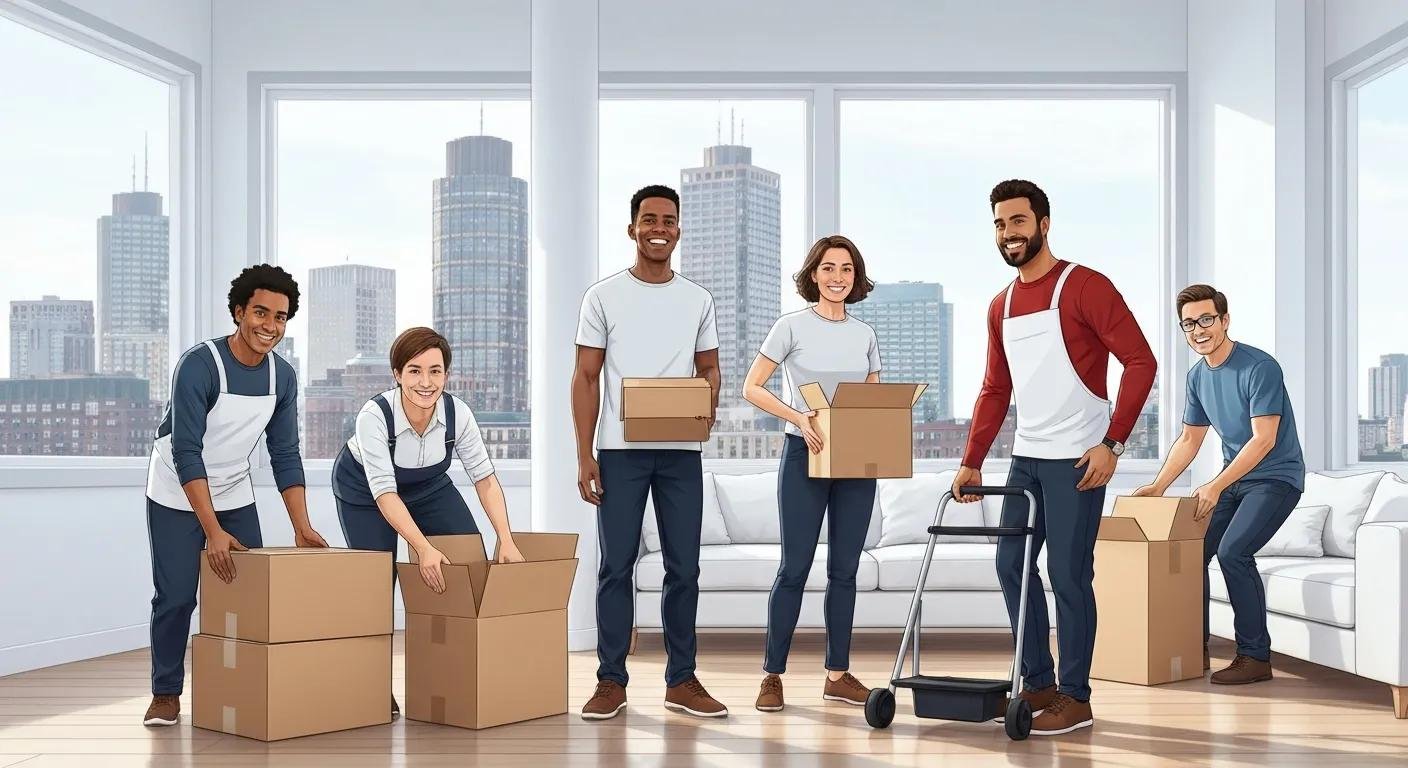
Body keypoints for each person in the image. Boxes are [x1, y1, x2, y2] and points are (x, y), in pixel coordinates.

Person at [952, 179, 1156, 736]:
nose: (1008, 233)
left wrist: (1113, 443)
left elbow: (1141, 362)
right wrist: (972, 460)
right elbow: (995, 388)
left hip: (1078, 462)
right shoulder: (1001, 305)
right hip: (1026, 458)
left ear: (1043, 223)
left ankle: (1076, 697)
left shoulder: (1086, 286)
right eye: (998, 223)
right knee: (1010, 567)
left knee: (1067, 575)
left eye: (1017, 221)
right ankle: (1038, 682)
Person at [142, 265, 329, 727]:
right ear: (238, 312)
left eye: (281, 317)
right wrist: (213, 532)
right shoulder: (199, 364)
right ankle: (166, 692)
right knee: (177, 596)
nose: (271, 326)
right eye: (261, 313)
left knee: (249, 594)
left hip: (232, 488)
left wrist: (302, 527)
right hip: (175, 489)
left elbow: (286, 454)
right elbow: (187, 450)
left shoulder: (282, 379)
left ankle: (245, 687)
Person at [573, 184, 727, 720]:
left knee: (684, 568)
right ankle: (610, 681)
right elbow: (586, 377)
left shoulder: (698, 299)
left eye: (668, 221)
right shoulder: (603, 296)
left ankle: (681, 680)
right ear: (632, 228)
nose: (659, 229)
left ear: (679, 229)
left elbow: (709, 368)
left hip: (681, 452)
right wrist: (585, 453)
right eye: (649, 220)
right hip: (620, 451)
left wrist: (709, 399)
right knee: (616, 566)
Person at [332, 326, 526, 718]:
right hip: (365, 492)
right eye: (415, 371)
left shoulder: (458, 413)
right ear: (397, 374)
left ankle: (453, 676)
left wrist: (505, 538)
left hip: (429, 485)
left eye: (435, 371)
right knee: (375, 582)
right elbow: (385, 493)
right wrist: (422, 548)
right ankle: (372, 684)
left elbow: (485, 479)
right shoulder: (375, 416)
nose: (426, 382)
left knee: (465, 563)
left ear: (446, 375)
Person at [1133, 284, 1304, 684]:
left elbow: (1263, 439)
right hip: (1235, 481)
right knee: (1194, 554)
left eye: (1206, 319)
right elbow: (1190, 439)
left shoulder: (1259, 367)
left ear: (1224, 320)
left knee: (1233, 552)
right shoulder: (1197, 377)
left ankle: (1255, 657)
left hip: (1275, 478)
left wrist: (1214, 485)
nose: (1198, 330)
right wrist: (1159, 486)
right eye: (1189, 324)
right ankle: (1192, 648)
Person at [742, 235, 882, 713]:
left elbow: (871, 399)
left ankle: (837, 675)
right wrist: (798, 418)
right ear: (813, 275)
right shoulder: (791, 326)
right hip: (804, 455)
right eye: (828, 268)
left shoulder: (864, 334)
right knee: (794, 569)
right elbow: (752, 387)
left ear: (855, 277)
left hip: (855, 462)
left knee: (845, 571)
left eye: (846, 269)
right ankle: (772, 675)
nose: (837, 277)